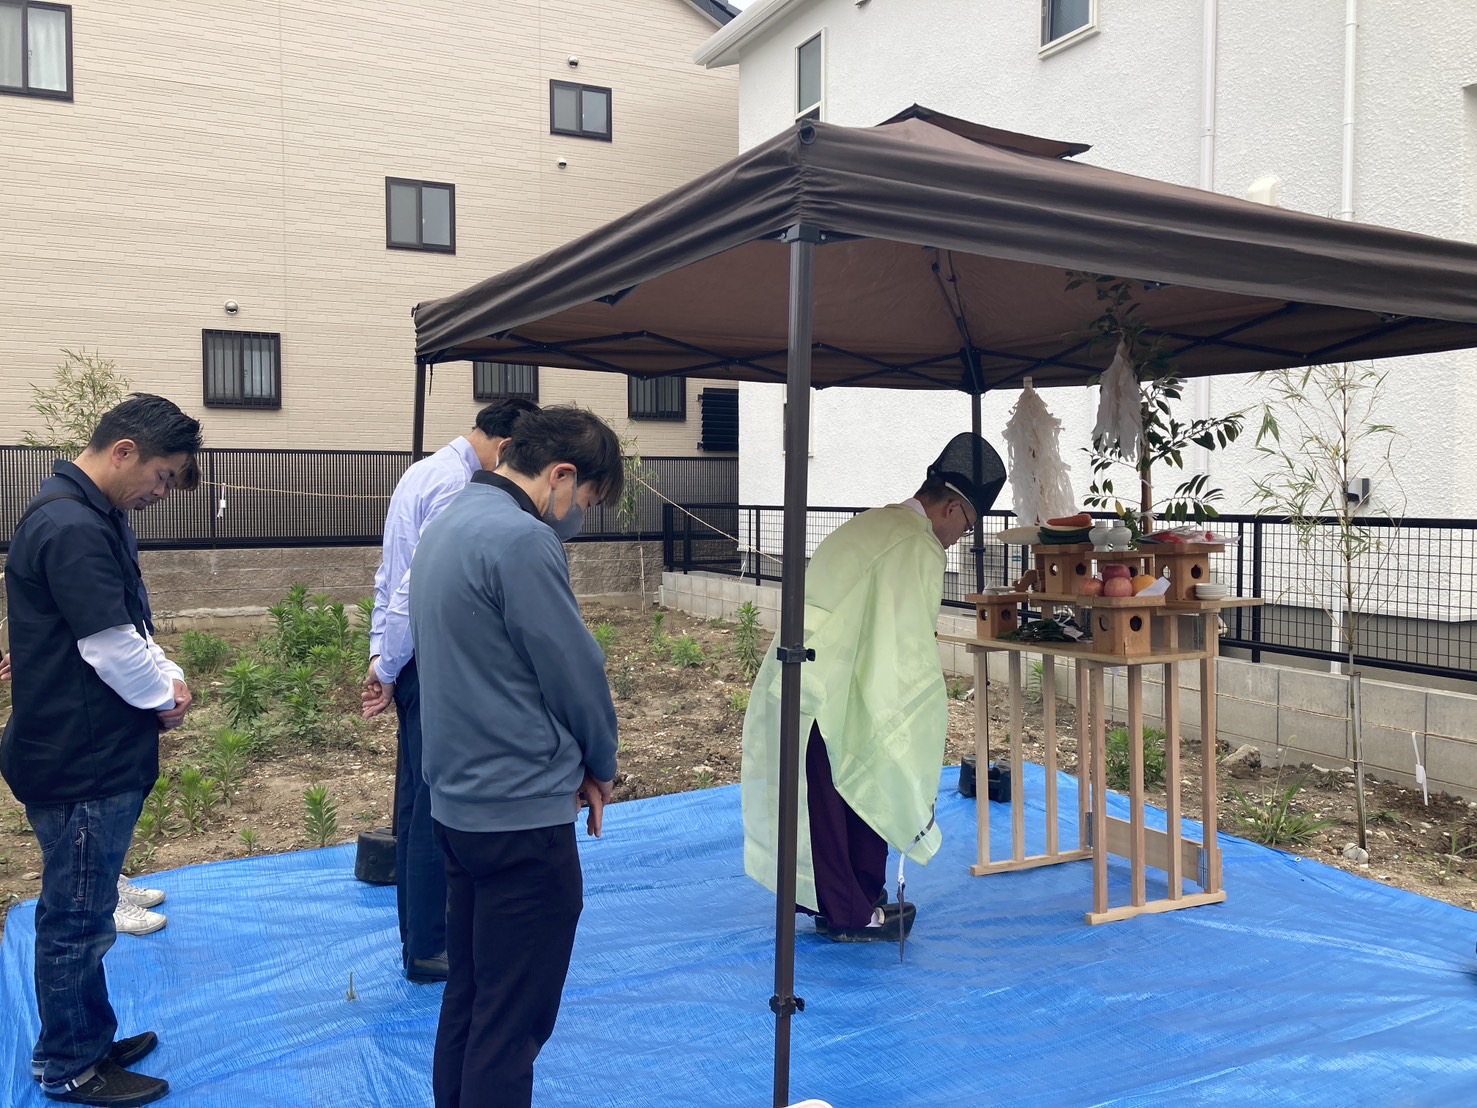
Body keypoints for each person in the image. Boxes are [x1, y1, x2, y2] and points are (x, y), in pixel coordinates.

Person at [409, 405, 623, 1107]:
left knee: (472, 999)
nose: (577, 515)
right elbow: (574, 669)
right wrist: (600, 760)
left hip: (458, 805)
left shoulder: (448, 520)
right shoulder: (522, 540)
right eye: (585, 499)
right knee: (512, 1021)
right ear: (561, 475)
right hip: (519, 814)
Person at [1, 394, 203, 1106]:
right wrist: (167, 699)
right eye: (164, 475)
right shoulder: (70, 524)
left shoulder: (90, 514)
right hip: (79, 758)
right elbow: (110, 644)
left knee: (81, 912)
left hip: (86, 749)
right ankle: (69, 1065)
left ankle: (84, 1034)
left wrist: (167, 675)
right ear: (124, 452)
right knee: (77, 919)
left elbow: (125, 625)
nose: (163, 492)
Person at [740, 432, 1006, 942]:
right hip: (838, 690)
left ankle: (848, 899)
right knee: (857, 798)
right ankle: (852, 914)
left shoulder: (871, 522)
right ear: (951, 507)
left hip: (803, 678)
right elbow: (904, 648)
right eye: (965, 526)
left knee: (823, 804)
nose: (958, 538)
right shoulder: (917, 546)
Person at [361, 398, 539, 984]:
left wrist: (382, 660)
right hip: (428, 658)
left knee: (415, 800)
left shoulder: (425, 470)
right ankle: (431, 944)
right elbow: (414, 585)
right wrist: (387, 667)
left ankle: (421, 938)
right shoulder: (458, 484)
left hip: (409, 659)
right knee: (435, 806)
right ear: (509, 448)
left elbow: (389, 578)